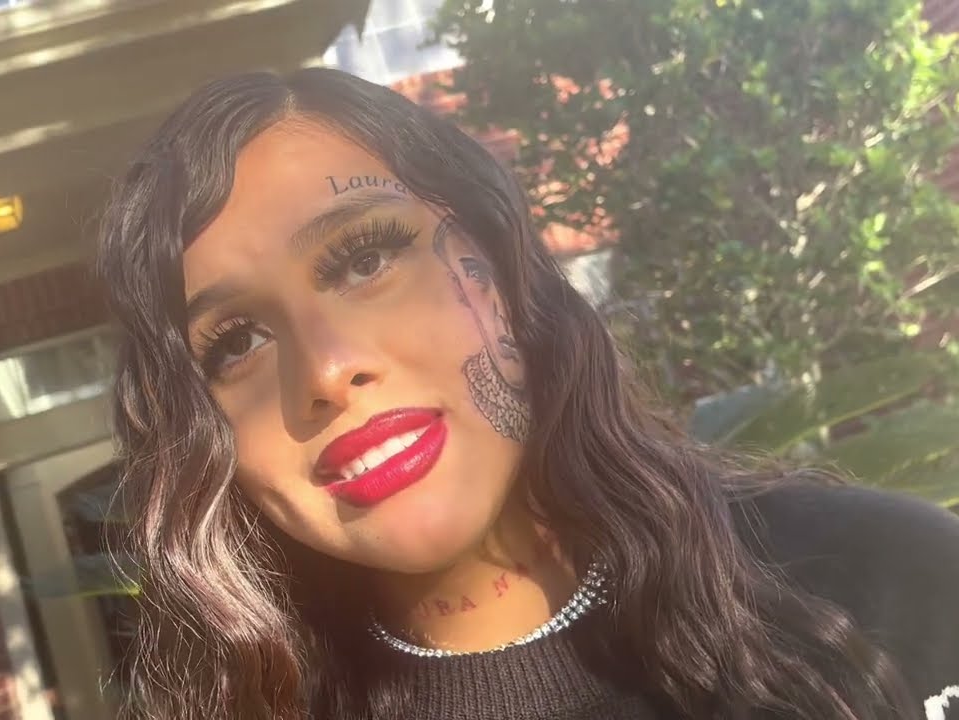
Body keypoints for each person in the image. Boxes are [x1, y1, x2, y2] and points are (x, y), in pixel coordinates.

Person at [95, 68, 959, 720]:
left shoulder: (883, 586)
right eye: (235, 342)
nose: (325, 370)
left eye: (365, 258)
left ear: (505, 264)